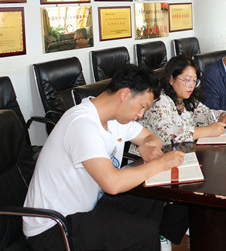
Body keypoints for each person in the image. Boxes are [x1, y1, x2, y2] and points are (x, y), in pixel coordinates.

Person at [23, 64, 188, 251]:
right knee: (143, 233)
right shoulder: (82, 123)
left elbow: (152, 138)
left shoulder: (117, 119)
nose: (140, 114)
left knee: (151, 197)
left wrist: (146, 146)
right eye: (142, 106)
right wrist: (160, 164)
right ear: (124, 94)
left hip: (89, 208)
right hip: (53, 227)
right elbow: (112, 184)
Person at [135, 55, 226, 148]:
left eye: (194, 81)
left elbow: (206, 114)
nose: (191, 85)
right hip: (148, 157)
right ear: (171, 79)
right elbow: (167, 136)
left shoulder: (186, 99)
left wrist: (224, 115)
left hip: (179, 153)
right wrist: (207, 131)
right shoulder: (159, 101)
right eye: (187, 80)